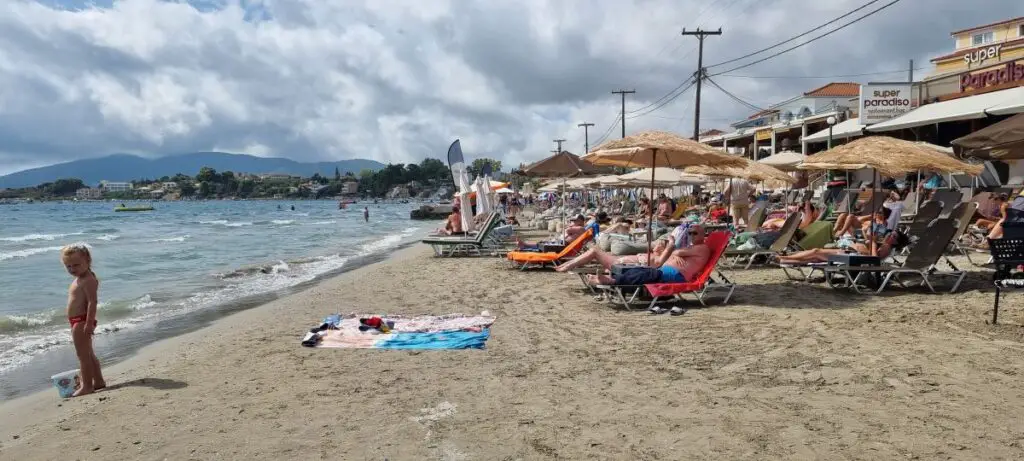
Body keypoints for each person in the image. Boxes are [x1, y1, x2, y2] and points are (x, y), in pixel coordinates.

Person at [555, 225, 711, 286]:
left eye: (694, 233)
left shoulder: (703, 248)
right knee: (644, 271)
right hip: (668, 271)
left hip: (677, 276)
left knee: (648, 273)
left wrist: (672, 245)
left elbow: (676, 251)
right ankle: (608, 279)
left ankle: (611, 281)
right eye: (689, 233)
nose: (691, 235)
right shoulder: (691, 248)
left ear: (703, 234)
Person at [61, 244, 105, 397]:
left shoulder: (88, 280)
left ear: (87, 260)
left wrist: (88, 323)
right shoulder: (79, 278)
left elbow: (93, 302)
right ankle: (98, 381)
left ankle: (87, 385)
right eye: (68, 266)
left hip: (82, 321)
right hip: (76, 320)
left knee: (82, 355)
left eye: (76, 265)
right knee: (89, 353)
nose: (72, 269)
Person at [778, 229, 910, 264]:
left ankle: (783, 258)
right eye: (891, 233)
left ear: (896, 242)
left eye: (893, 236)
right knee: (815, 255)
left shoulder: (886, 248)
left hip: (852, 257)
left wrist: (873, 243)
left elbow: (874, 259)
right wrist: (869, 240)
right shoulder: (884, 244)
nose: (889, 235)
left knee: (815, 252)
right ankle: (786, 258)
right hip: (850, 252)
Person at [517, 214, 587, 250]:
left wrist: (570, 227)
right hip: (563, 244)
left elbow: (568, 230)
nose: (573, 222)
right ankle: (525, 245)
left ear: (580, 221)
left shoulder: (581, 228)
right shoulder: (579, 229)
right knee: (543, 243)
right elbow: (568, 231)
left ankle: (525, 245)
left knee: (543, 245)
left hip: (564, 245)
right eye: (573, 221)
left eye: (575, 221)